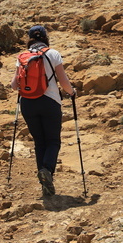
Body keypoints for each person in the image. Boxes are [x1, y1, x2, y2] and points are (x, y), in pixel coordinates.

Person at [10, 25, 76, 197]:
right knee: (53, 141)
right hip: (50, 102)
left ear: (30, 38)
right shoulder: (53, 54)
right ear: (45, 37)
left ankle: (44, 183)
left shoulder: (22, 57)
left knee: (40, 142)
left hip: (28, 104)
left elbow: (14, 85)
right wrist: (72, 92)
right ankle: (47, 170)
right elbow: (63, 81)